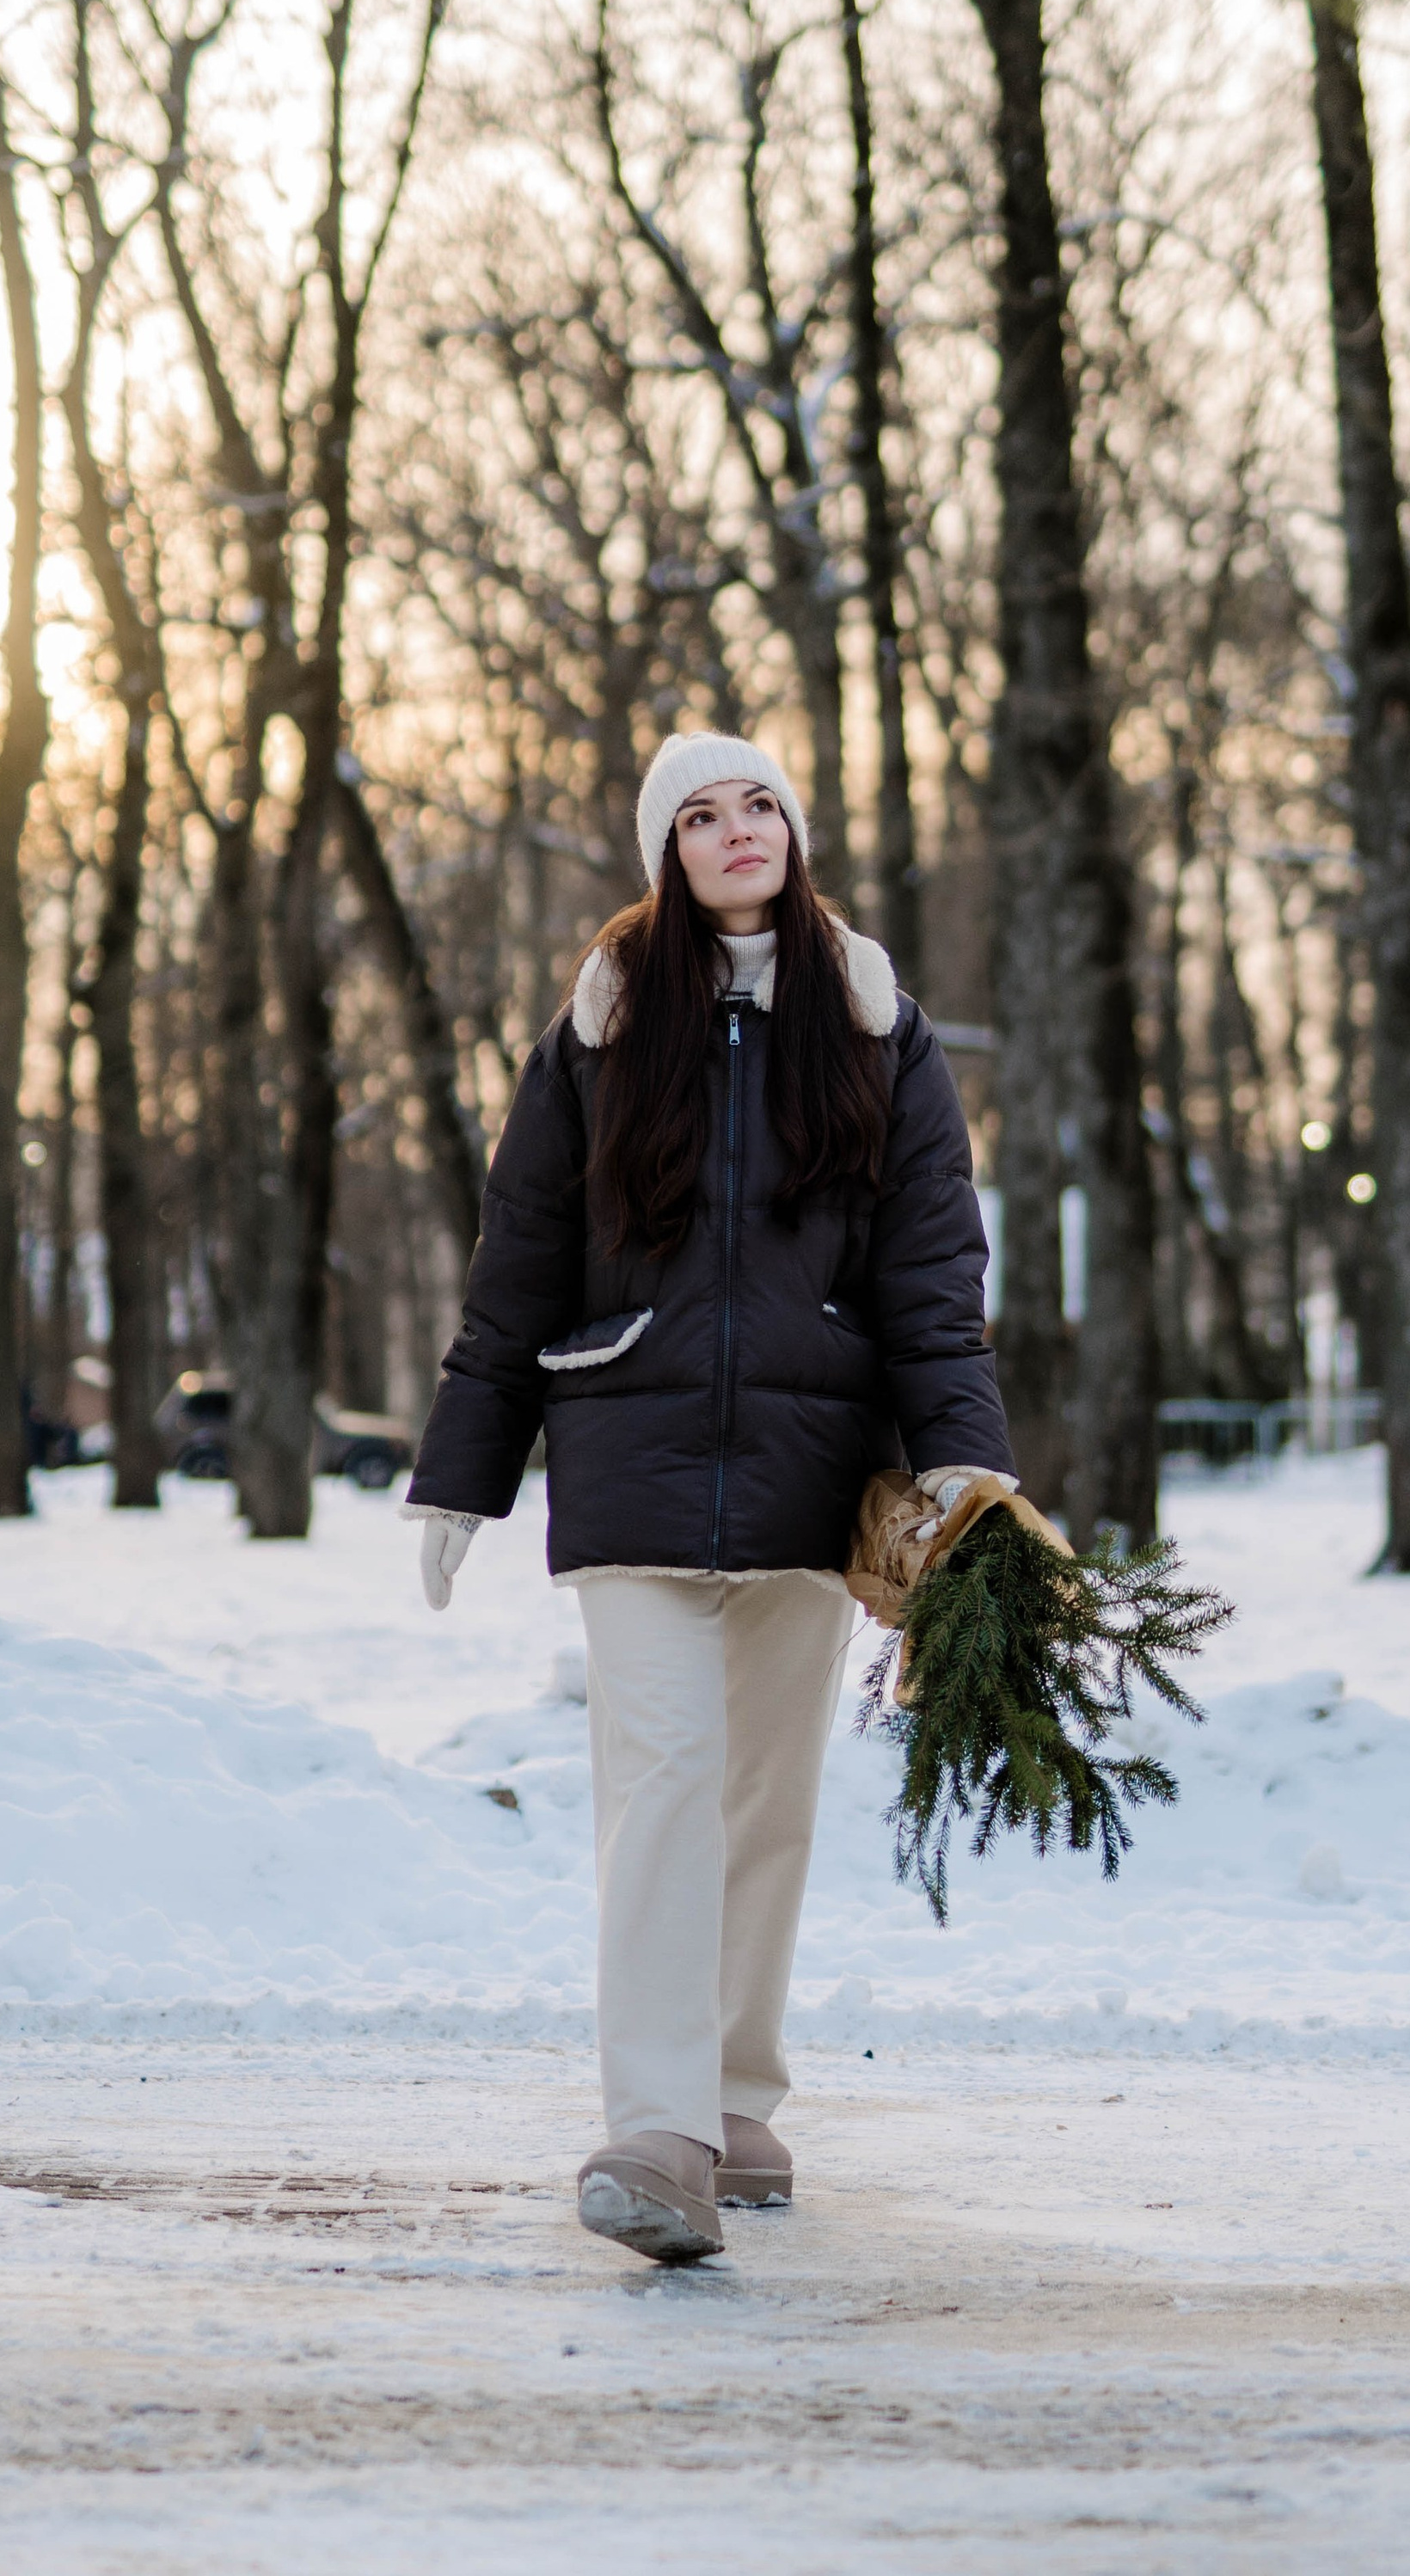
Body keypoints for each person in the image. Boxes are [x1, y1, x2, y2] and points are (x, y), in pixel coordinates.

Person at [406, 732, 1015, 2264]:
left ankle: (739, 2092)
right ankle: (659, 2129)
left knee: (769, 1801)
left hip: (816, 1473)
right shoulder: (603, 1030)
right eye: (697, 814)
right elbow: (520, 1256)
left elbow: (935, 1276)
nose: (734, 829)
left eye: (757, 804)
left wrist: (965, 1460)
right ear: (664, 856)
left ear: (795, 833)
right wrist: (463, 1472)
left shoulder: (877, 1024)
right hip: (632, 1461)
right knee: (666, 1780)